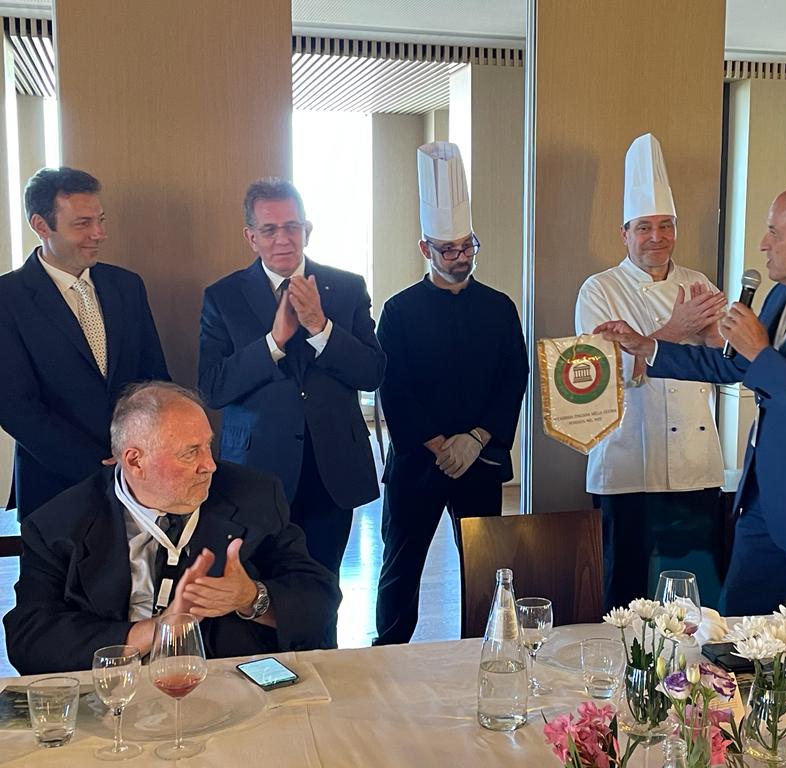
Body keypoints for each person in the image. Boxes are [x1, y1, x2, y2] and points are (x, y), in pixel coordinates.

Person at [597, 184, 786, 614]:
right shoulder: (784, 293)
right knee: (734, 631)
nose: (763, 244)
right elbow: (738, 364)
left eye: (774, 232)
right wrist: (649, 348)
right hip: (764, 503)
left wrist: (759, 351)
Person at [4, 382, 340, 675]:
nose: (209, 465)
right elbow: (30, 640)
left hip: (229, 691)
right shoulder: (59, 524)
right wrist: (154, 632)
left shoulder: (254, 496)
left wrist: (252, 597)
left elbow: (320, 599)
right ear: (135, 461)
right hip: (115, 696)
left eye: (208, 445)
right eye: (190, 453)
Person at [198, 178, 385, 620]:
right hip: (255, 473)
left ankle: (325, 658)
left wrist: (321, 327)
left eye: (292, 226)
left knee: (323, 589)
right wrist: (274, 342)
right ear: (251, 236)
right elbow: (213, 387)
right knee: (253, 594)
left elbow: (372, 373)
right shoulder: (222, 296)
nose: (282, 238)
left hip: (330, 470)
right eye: (269, 229)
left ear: (307, 229)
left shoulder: (346, 287)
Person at [374, 141, 528, 645]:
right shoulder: (399, 312)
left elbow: (514, 376)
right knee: (401, 566)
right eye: (449, 249)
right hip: (419, 462)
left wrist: (476, 438)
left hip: (480, 460)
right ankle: (389, 652)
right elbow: (393, 387)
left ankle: (486, 652)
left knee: (485, 568)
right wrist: (442, 445)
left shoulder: (499, 307)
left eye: (468, 247)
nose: (461, 258)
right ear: (425, 249)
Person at [575, 133, 726, 610]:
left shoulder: (699, 283)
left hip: (695, 465)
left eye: (665, 226)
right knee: (626, 595)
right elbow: (598, 379)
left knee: (696, 597)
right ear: (624, 233)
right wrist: (678, 331)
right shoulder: (598, 290)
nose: (656, 237)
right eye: (644, 227)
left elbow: (725, 364)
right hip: (626, 464)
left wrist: (706, 337)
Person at [0, 167, 169, 519]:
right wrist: (100, 467)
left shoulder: (127, 286)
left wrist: (139, 455)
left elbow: (154, 379)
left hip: (137, 478)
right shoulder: (8, 298)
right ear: (41, 225)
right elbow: (16, 407)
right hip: (53, 487)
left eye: (100, 220)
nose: (99, 234)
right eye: (83, 224)